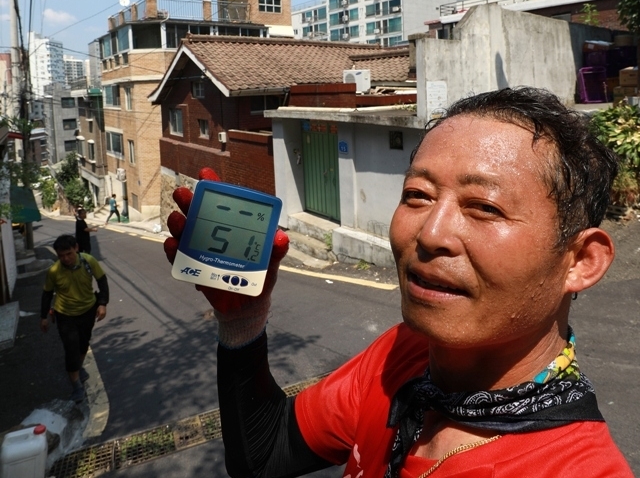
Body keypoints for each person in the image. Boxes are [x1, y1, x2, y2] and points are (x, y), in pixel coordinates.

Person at [164, 87, 633, 477]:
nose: (430, 234)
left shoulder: (579, 469)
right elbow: (264, 453)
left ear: (581, 261)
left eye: (484, 207)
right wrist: (244, 324)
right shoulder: (403, 357)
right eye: (417, 195)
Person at [41, 234, 109, 403]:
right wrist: (43, 317)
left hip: (87, 311)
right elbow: (47, 294)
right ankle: (77, 386)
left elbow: (102, 281)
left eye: (69, 254)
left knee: (83, 344)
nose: (66, 259)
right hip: (65, 315)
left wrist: (102, 303)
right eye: (61, 256)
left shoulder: (88, 261)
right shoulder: (54, 271)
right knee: (71, 350)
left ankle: (77, 368)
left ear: (76, 248)